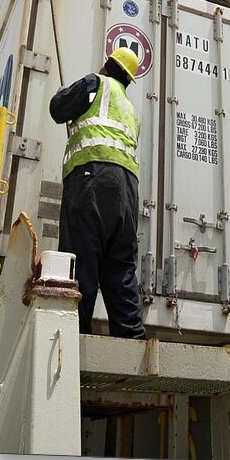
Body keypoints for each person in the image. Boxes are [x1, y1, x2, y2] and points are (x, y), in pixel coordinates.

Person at [50, 47, 146, 339]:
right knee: (120, 270)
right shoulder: (131, 111)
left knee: (81, 263)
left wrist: (64, 93)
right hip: (127, 190)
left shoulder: (95, 84)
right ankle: (131, 343)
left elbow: (58, 109)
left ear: (107, 66)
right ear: (129, 80)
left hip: (92, 180)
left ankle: (73, 340)